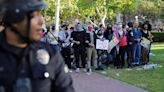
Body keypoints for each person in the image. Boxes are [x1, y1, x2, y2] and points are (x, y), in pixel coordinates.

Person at [0, 0, 75, 92]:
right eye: (34, 15)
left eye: (40, 14)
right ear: (15, 19)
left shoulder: (51, 54)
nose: (41, 22)